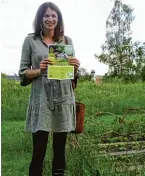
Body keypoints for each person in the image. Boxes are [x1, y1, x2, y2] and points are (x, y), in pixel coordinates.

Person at [18, 2, 80, 176]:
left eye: (54, 15)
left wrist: (75, 68)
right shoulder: (30, 40)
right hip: (42, 98)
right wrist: (40, 69)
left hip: (63, 98)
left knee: (60, 151)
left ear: (58, 18)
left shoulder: (67, 41)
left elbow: (72, 77)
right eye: (46, 15)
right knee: (39, 151)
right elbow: (22, 73)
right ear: (40, 18)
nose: (50, 19)